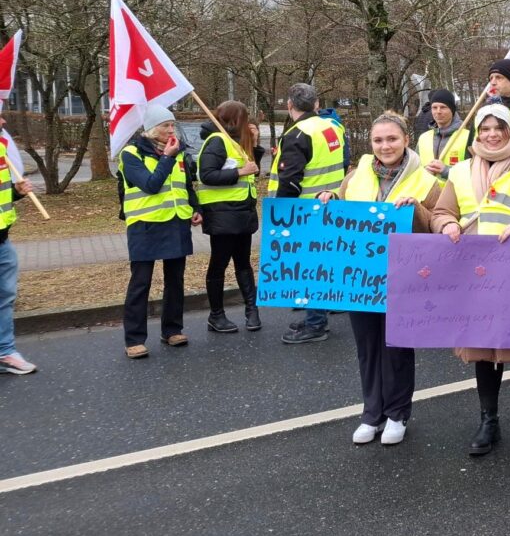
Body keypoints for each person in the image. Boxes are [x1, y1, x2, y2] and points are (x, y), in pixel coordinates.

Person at [430, 104, 510, 461]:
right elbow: (441, 212)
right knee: (484, 349)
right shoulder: (461, 171)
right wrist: (446, 226)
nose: (491, 134)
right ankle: (489, 420)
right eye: (485, 128)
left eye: (499, 127)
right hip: (475, 272)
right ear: (477, 133)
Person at [318, 113, 441, 446]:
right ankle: (372, 413)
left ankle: (398, 413)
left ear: (405, 141)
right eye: (378, 140)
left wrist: (416, 208)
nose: (385, 146)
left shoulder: (427, 182)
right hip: (361, 279)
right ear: (370, 143)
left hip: (404, 278)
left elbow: (438, 224)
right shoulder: (355, 176)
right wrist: (329, 198)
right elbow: (342, 212)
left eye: (392, 139)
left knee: (397, 346)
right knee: (367, 347)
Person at [118, 105, 203, 359]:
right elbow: (151, 185)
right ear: (152, 129)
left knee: (175, 281)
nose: (171, 129)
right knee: (140, 283)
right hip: (145, 225)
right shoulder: (131, 154)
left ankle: (172, 330)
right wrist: (167, 157)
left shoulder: (177, 153)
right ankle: (134, 339)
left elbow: (186, 185)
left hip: (176, 223)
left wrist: (195, 207)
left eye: (172, 125)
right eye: (166, 125)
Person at [268, 83, 347, 344]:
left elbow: (290, 180)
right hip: (332, 204)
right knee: (322, 264)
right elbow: (343, 162)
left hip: (304, 210)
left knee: (312, 267)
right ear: (316, 104)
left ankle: (315, 324)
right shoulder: (333, 127)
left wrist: (282, 216)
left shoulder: (297, 134)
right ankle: (316, 315)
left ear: (289, 105)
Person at [196, 101, 264, 333]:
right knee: (220, 263)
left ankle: (252, 310)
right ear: (235, 119)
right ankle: (216, 315)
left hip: (242, 213)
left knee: (244, 263)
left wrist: (254, 145)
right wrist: (239, 172)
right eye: (245, 118)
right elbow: (207, 174)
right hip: (223, 214)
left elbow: (252, 168)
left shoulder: (236, 141)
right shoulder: (217, 140)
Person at [0, 111, 36, 375]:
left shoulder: (2, 150)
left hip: (3, 241)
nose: (3, 122)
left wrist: (16, 192)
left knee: (5, 297)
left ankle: (5, 351)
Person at [417, 88, 471, 180]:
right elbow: (415, 170)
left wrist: (446, 171)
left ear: (452, 110)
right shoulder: (424, 138)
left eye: (443, 107)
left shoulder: (467, 137)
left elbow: (474, 172)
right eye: (434, 107)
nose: (438, 111)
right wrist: (424, 172)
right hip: (428, 193)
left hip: (455, 193)